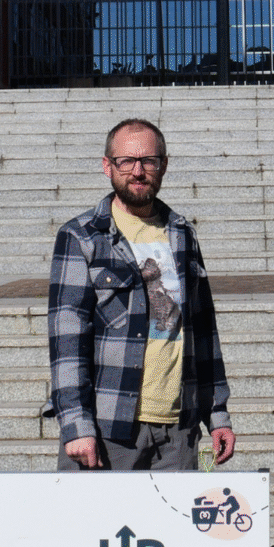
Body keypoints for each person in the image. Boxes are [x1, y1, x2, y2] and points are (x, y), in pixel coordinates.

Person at [48, 117, 234, 472]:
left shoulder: (182, 233)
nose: (138, 171)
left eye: (148, 160)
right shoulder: (82, 237)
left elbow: (204, 331)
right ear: (108, 166)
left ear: (164, 164)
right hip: (108, 428)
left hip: (179, 429)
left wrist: (217, 414)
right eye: (126, 161)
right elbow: (66, 340)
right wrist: (76, 424)